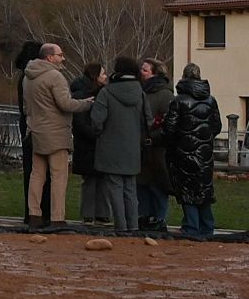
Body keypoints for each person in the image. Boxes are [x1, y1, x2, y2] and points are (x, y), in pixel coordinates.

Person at [22, 43, 94, 228]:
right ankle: (57, 217)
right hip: (55, 133)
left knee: (37, 175)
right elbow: (66, 104)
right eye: (60, 55)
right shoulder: (55, 76)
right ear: (49, 57)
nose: (63, 58)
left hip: (35, 131)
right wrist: (87, 103)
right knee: (59, 176)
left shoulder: (28, 77)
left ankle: (34, 215)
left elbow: (25, 107)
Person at [162, 63, 221, 240]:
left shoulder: (178, 101)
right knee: (204, 189)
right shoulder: (211, 100)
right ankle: (207, 227)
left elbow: (169, 129)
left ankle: (191, 226)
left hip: (183, 152)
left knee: (187, 189)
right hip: (204, 153)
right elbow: (217, 126)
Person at [91, 57, 149, 231]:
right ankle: (133, 227)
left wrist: (102, 133)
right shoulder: (141, 93)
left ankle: (121, 227)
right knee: (130, 189)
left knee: (115, 189)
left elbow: (96, 121)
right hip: (132, 149)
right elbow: (148, 120)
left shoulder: (106, 92)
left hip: (110, 147)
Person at [14, 39, 52, 224]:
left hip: (27, 125)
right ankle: (41, 210)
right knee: (40, 170)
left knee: (31, 170)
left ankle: (31, 211)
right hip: (38, 125)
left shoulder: (24, 76)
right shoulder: (33, 78)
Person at [136, 57, 174, 230]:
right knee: (141, 184)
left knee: (157, 185)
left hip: (157, 148)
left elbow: (169, 122)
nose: (141, 72)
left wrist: (154, 137)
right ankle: (143, 216)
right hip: (140, 147)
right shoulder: (139, 91)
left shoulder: (165, 94)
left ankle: (159, 218)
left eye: (145, 69)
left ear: (154, 73)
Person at [70, 61, 110, 225]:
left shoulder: (101, 93)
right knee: (91, 180)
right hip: (88, 143)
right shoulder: (82, 94)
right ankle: (91, 213)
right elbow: (79, 121)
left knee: (100, 179)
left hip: (94, 141)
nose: (106, 76)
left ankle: (100, 213)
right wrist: (96, 134)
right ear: (95, 76)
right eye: (103, 73)